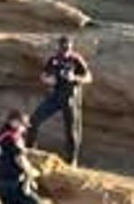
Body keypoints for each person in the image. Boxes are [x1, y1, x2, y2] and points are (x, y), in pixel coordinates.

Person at [27, 36, 92, 166]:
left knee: (72, 130)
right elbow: (43, 75)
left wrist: (74, 78)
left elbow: (88, 77)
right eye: (63, 48)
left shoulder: (76, 59)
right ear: (59, 47)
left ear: (71, 47)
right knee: (34, 119)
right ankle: (30, 149)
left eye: (67, 48)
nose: (65, 50)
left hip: (71, 97)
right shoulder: (54, 60)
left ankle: (72, 160)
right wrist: (49, 80)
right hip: (56, 95)